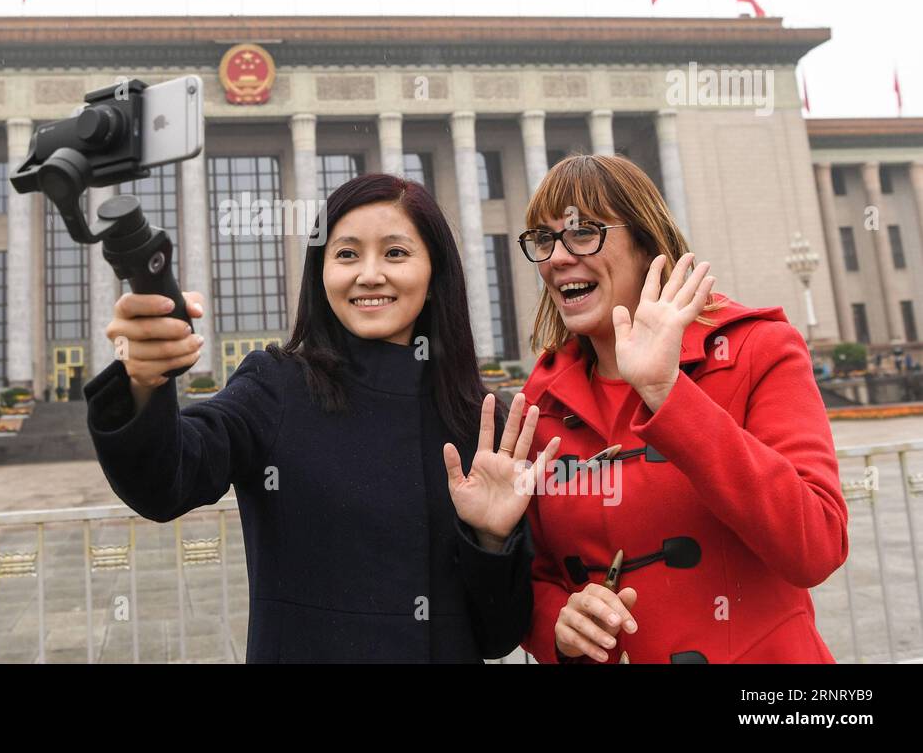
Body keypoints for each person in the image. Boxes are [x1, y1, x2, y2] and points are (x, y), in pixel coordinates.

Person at [83, 174, 559, 662]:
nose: (369, 274)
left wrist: (492, 539)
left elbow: (499, 635)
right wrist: (143, 382)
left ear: (436, 277)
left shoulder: (478, 422)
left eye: (395, 253)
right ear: (321, 273)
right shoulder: (277, 388)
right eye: (347, 254)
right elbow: (166, 482)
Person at [516, 155, 848, 663]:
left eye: (583, 233)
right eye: (543, 239)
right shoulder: (541, 400)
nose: (557, 258)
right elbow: (538, 574)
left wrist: (670, 395)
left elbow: (816, 545)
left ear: (647, 242)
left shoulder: (759, 351)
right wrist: (559, 623)